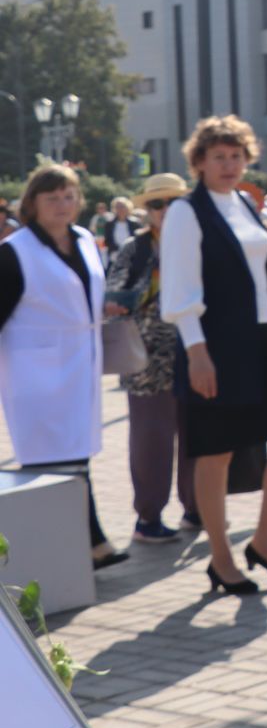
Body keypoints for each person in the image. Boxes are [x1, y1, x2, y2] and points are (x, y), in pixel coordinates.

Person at [161, 116, 267, 596]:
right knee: (215, 452)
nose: (228, 165)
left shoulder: (246, 203)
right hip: (216, 347)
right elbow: (181, 288)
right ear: (199, 162)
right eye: (218, 157)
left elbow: (260, 268)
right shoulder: (187, 212)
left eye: (236, 156)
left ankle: (263, 541)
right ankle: (221, 559)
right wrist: (197, 352)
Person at [0, 164, 125, 569]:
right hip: (35, 372)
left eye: (69, 196)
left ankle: (84, 544)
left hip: (78, 364)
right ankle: (74, 547)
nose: (62, 204)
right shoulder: (14, 251)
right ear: (32, 203)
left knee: (76, 457)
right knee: (48, 462)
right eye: (51, 197)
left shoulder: (85, 240)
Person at [104, 172, 198, 542]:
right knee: (152, 441)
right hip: (146, 360)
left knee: (197, 435)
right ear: (147, 211)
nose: (165, 210)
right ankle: (148, 518)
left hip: (194, 354)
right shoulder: (136, 248)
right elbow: (115, 295)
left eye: (173, 202)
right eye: (157, 204)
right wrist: (153, 276)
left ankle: (196, 507)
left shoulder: (197, 243)